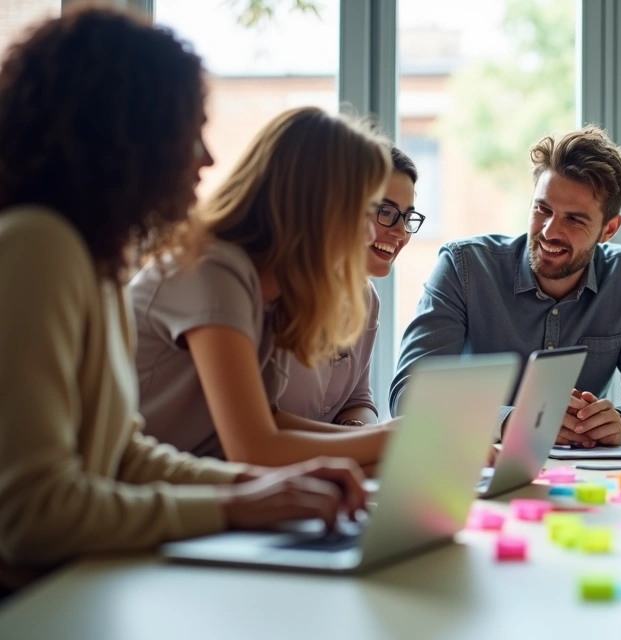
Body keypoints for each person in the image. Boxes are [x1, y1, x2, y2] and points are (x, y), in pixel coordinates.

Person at [0, 8, 365, 595]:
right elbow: (33, 516)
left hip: (83, 584)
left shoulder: (97, 261)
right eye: (188, 131)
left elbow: (124, 456)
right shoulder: (39, 246)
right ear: (125, 137)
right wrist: (231, 508)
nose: (208, 159)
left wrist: (254, 487)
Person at [129, 107, 394, 468]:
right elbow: (255, 448)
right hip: (138, 496)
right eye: (366, 213)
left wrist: (393, 442)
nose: (369, 234)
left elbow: (270, 423)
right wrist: (391, 441)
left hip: (191, 485)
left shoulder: (268, 289)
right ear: (319, 209)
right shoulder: (213, 271)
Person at [391, 126, 621, 447]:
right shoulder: (464, 267)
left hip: (582, 476)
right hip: (473, 468)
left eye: (574, 220)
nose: (549, 231)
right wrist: (513, 422)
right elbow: (410, 394)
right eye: (542, 209)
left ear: (609, 229)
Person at [277, 148, 422, 426]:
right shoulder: (275, 290)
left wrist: (359, 430)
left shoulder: (366, 298)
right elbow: (264, 424)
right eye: (386, 211)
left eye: (407, 217)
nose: (401, 232)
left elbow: (357, 400)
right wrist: (374, 439)